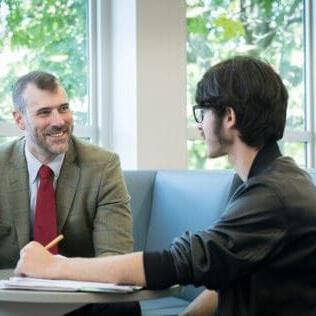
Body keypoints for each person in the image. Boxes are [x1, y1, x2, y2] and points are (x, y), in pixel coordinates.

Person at [15, 56, 316, 316]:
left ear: (228, 117)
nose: (199, 125)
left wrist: (56, 267)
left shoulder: (272, 195)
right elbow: (228, 271)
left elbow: (176, 263)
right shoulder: (270, 181)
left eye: (202, 112)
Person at [2, 71, 140, 315]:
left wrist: (57, 269)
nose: (59, 121)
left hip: (81, 300)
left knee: (124, 307)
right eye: (44, 112)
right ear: (20, 120)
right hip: (10, 302)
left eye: (63, 108)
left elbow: (115, 257)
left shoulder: (103, 166)